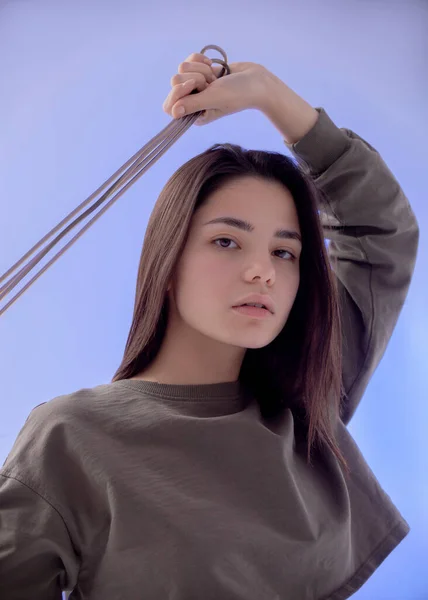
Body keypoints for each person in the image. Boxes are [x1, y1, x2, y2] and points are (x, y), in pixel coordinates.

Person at [0, 52, 419, 600]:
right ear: (167, 263)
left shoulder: (305, 401)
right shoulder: (71, 436)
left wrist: (269, 94)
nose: (261, 271)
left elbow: (381, 230)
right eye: (227, 241)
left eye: (285, 252)